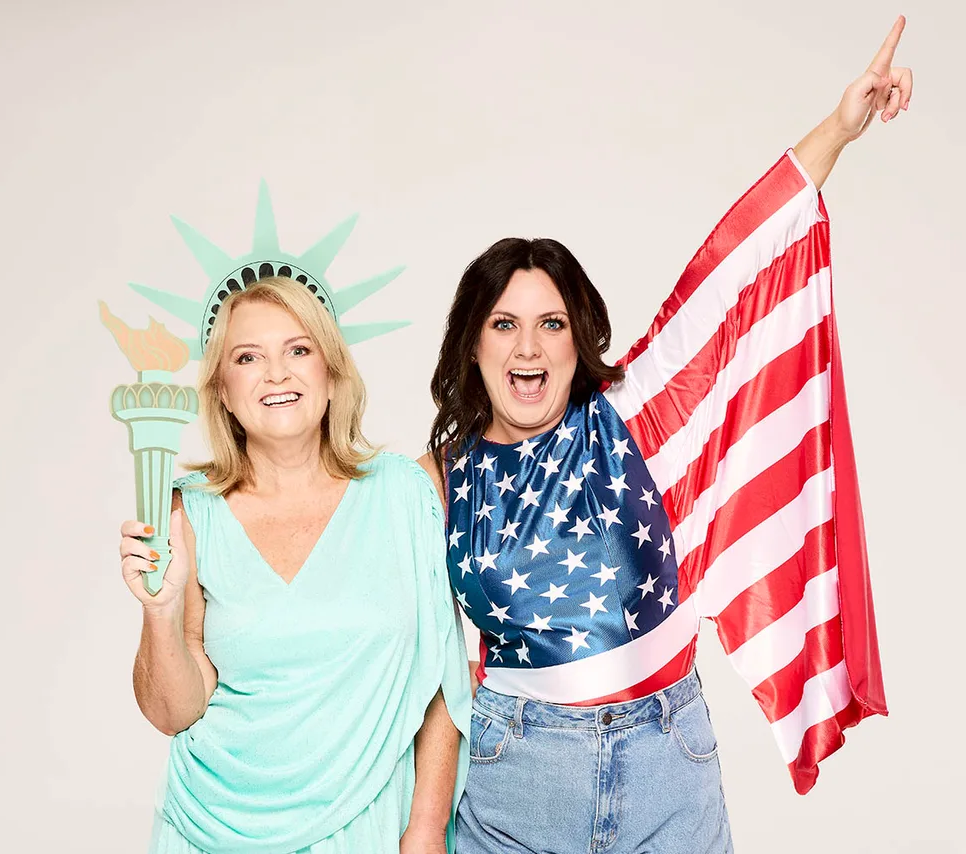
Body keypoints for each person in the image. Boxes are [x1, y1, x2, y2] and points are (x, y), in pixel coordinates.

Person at [417, 16, 911, 854]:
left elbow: (734, 260)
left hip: (664, 766)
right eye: (503, 325)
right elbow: (416, 662)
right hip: (517, 774)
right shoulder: (436, 478)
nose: (528, 347)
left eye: (550, 324)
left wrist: (840, 127)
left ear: (581, 341)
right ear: (473, 341)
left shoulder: (632, 415)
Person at [117, 277, 471, 853]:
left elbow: (442, 689)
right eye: (248, 357)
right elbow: (173, 711)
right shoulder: (187, 511)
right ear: (223, 392)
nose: (276, 374)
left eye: (298, 350)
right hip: (213, 828)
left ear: (331, 374)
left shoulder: (405, 493)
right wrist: (159, 610)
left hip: (367, 824)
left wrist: (427, 829)